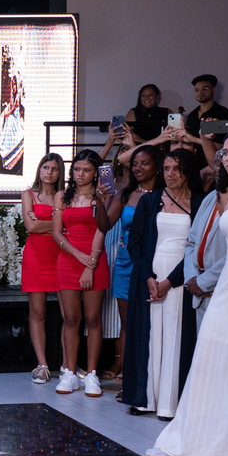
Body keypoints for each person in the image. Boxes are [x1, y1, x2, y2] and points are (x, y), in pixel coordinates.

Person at [146, 129, 228, 456]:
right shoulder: (226, 193)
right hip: (227, 285)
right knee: (210, 358)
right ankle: (193, 439)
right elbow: (201, 241)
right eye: (225, 153)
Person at [122, 149, 206, 419]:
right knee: (148, 336)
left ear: (187, 172)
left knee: (176, 336)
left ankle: (170, 404)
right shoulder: (150, 201)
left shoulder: (200, 203)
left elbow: (198, 247)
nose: (170, 174)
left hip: (180, 277)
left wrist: (171, 281)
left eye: (176, 169)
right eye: (166, 169)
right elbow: (135, 242)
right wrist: (148, 276)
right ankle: (145, 399)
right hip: (150, 275)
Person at [97, 145, 162, 395]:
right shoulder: (126, 194)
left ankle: (155, 379)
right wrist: (100, 201)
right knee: (128, 323)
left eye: (144, 163)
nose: (138, 168)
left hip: (156, 262)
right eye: (135, 163)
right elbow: (104, 225)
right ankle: (128, 379)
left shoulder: (166, 193)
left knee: (154, 321)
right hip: (126, 262)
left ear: (157, 165)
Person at [53, 149, 110, 397]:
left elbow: (102, 230)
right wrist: (78, 256)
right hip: (68, 259)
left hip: (95, 260)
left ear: (95, 173)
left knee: (93, 318)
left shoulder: (102, 196)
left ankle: (92, 375)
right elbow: (57, 233)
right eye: (77, 169)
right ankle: (69, 373)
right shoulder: (62, 197)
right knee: (71, 319)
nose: (80, 174)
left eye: (86, 170)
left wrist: (90, 264)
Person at [21, 153, 64, 383]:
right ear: (39, 169)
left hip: (61, 256)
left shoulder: (64, 196)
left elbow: (39, 224)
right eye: (45, 167)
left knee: (70, 314)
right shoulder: (28, 194)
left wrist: (43, 225)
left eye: (54, 168)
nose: (49, 172)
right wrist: (58, 224)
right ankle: (42, 365)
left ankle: (68, 365)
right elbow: (31, 227)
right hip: (36, 257)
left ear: (60, 172)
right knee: (37, 312)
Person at [184, 160, 228, 331]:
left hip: (222, 288)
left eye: (223, 163)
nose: (218, 168)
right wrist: (191, 279)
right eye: (216, 163)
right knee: (203, 347)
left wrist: (203, 282)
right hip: (199, 290)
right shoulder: (210, 197)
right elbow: (191, 242)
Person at [185, 74, 228, 145]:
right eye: (197, 90)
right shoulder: (192, 115)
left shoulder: (224, 112)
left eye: (205, 89)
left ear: (213, 90)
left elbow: (218, 139)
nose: (200, 93)